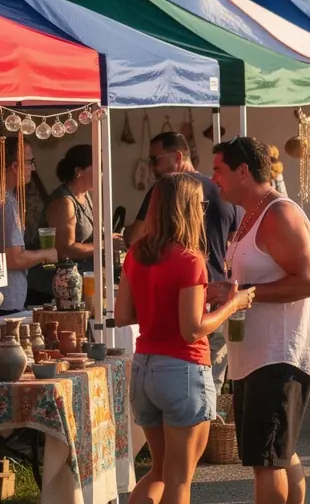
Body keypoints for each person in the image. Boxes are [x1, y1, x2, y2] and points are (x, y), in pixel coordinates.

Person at [103, 173, 255, 504]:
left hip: (146, 366)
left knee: (158, 469)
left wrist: (205, 296)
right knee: (180, 479)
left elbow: (124, 314)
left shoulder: (136, 254)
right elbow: (192, 329)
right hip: (183, 369)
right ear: (189, 210)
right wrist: (232, 304)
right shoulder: (189, 258)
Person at [206, 137, 310, 504]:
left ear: (243, 171)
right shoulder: (250, 216)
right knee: (281, 453)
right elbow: (254, 280)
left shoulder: (280, 213)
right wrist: (228, 292)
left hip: (281, 352)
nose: (213, 178)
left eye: (219, 169)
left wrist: (244, 295)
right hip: (256, 352)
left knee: (266, 459)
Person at [127, 131, 240, 391]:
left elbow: (135, 237)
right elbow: (235, 243)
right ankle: (210, 428)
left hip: (176, 299)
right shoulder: (220, 190)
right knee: (209, 384)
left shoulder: (164, 190)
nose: (153, 167)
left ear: (177, 156)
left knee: (180, 386)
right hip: (216, 292)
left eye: (155, 160)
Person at [26, 144, 113, 301]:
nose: (102, 172)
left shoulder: (84, 196)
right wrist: (104, 244)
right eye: (99, 167)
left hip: (75, 285)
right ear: (79, 171)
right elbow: (65, 250)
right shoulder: (64, 202)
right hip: (52, 290)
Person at [0, 141, 57, 313]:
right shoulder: (7, 203)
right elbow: (13, 259)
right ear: (15, 166)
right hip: (6, 300)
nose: (32, 168)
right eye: (29, 162)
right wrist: (47, 254)